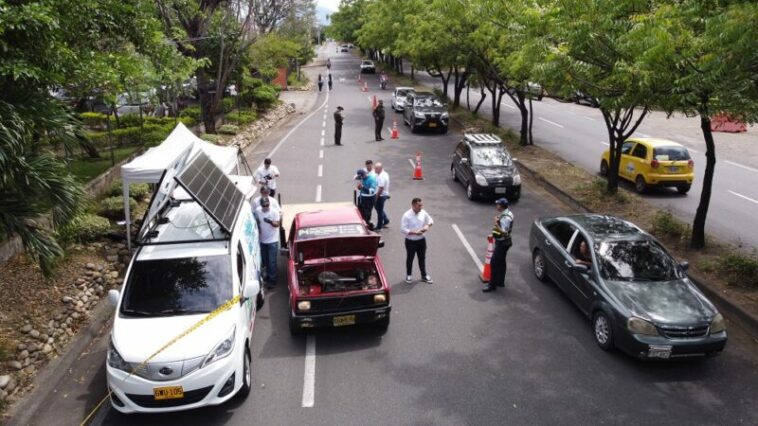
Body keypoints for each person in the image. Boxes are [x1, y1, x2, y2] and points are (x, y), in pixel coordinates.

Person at [401, 198, 434, 284]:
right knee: (410, 258)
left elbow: (430, 220)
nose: (421, 207)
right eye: (419, 205)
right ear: (413, 205)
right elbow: (403, 229)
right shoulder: (406, 215)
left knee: (422, 258)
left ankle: (424, 275)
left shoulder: (423, 212)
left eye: (421, 205)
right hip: (410, 241)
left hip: (421, 240)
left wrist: (427, 226)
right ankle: (409, 275)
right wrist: (415, 233)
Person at [484, 198, 514, 292]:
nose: (496, 205)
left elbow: (504, 232)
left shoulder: (506, 217)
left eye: (498, 204)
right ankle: (500, 281)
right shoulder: (507, 213)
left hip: (503, 242)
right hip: (503, 241)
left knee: (494, 263)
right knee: (501, 262)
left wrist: (496, 223)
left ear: (501, 206)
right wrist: (493, 234)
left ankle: (492, 285)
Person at [255, 198, 281, 288]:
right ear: (261, 205)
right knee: (265, 261)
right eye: (264, 205)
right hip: (262, 240)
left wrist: (270, 221)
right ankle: (268, 275)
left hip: (272, 240)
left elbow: (277, 224)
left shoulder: (274, 212)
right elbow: (257, 220)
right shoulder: (258, 211)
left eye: (267, 205)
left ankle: (272, 279)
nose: (266, 207)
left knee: (271, 261)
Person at [374, 162, 390, 231]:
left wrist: (376, 197)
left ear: (380, 169)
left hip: (381, 195)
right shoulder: (385, 173)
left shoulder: (381, 177)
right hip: (385, 194)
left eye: (376, 169)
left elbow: (381, 188)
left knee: (379, 211)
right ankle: (386, 220)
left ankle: (379, 227)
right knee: (379, 208)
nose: (374, 170)